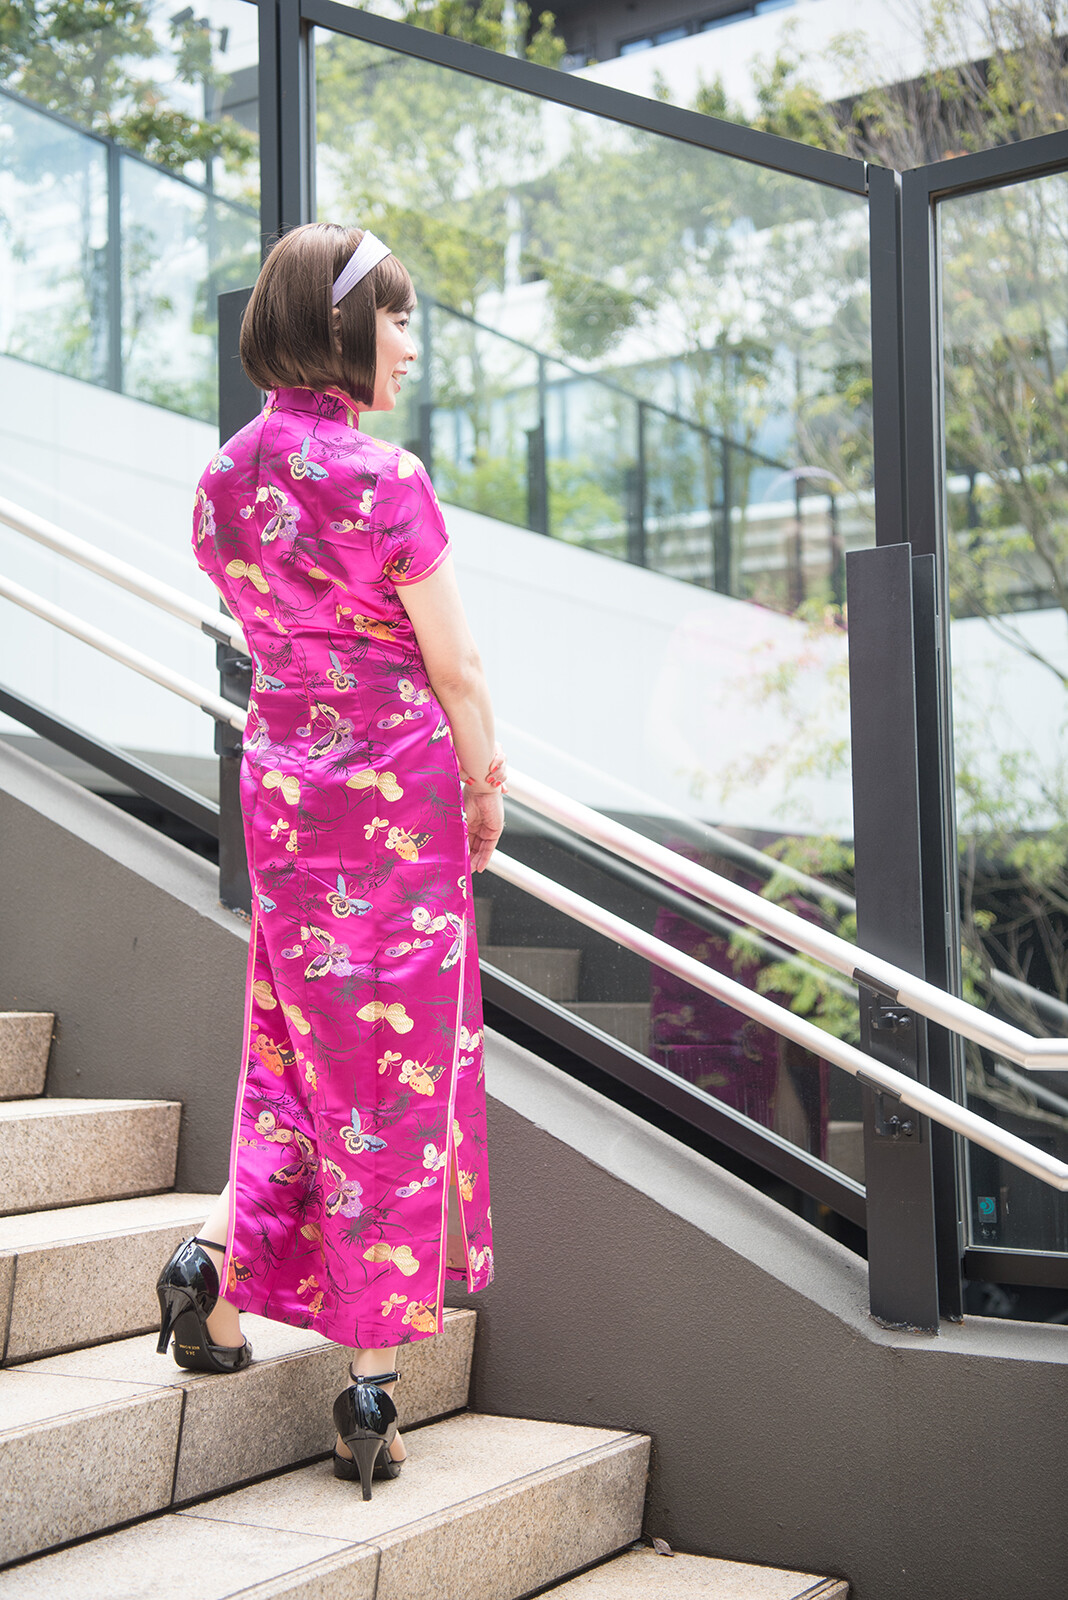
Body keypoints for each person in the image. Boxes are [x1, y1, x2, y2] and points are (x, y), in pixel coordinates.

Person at [155, 222, 504, 1499]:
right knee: (392, 1085)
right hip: (396, 803)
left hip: (288, 796)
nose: (412, 342)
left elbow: (265, 621)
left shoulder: (222, 480)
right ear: (344, 327)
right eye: (399, 317)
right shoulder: (386, 477)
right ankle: (368, 1388)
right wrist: (484, 787)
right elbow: (457, 666)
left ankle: (209, 1268)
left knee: (295, 1051)